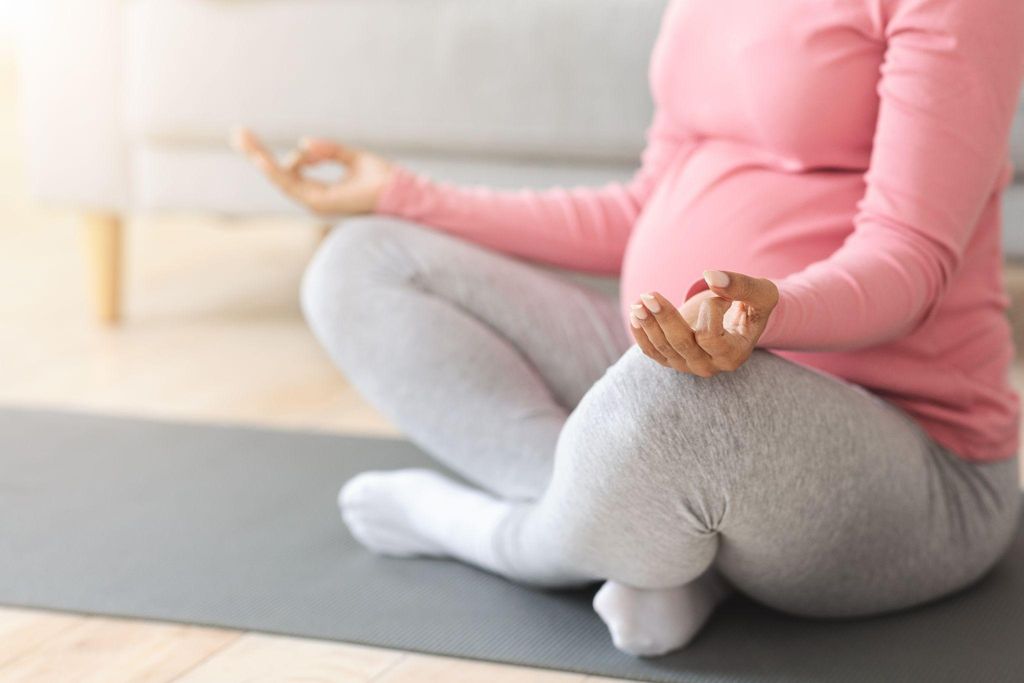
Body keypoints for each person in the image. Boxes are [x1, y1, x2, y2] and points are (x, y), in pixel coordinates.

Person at [235, 0, 1024, 657]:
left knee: (671, 400)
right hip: (683, 367)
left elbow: (911, 259)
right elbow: (647, 205)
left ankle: (502, 537)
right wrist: (406, 196)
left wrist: (766, 313)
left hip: (912, 460)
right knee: (362, 264)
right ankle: (662, 551)